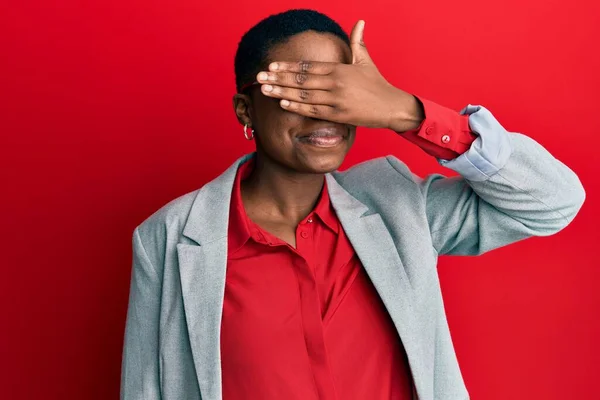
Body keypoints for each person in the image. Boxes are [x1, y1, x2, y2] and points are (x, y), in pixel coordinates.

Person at [120, 9, 585, 400]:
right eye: (301, 92)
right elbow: (146, 387)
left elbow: (552, 200)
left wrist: (404, 111)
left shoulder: (397, 203)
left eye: (339, 94)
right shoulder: (170, 237)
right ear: (246, 110)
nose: (324, 113)